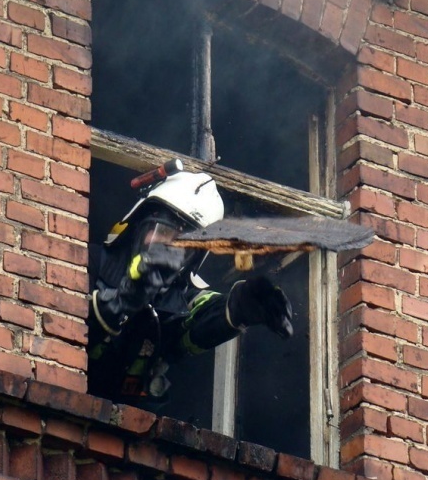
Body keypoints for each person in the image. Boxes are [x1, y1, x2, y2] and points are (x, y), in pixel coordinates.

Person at [86, 164, 294, 401]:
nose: (168, 247)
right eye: (162, 231)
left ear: (194, 258)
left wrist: (240, 306)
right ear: (139, 225)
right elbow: (66, 329)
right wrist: (125, 299)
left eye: (183, 244)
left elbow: (203, 319)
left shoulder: (181, 301)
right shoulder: (86, 262)